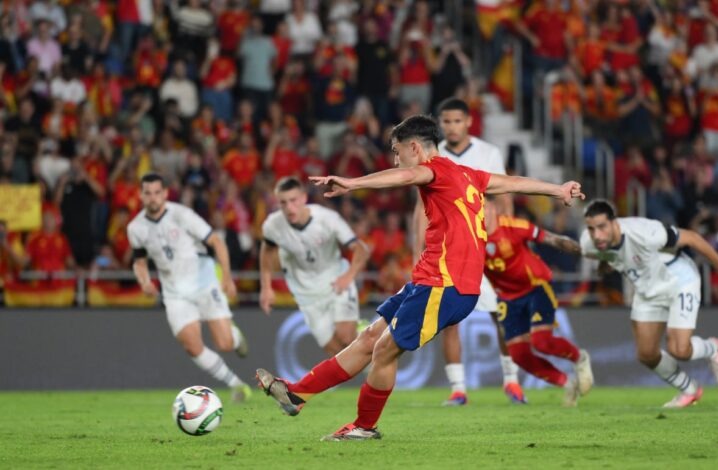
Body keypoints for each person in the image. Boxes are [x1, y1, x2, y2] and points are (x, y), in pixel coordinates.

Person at [255, 115, 584, 441]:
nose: (396, 160)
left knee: (384, 350)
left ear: (415, 147)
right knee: (369, 339)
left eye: (398, 152)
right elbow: (512, 183)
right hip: (428, 281)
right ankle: (297, 395)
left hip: (445, 285)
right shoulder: (468, 174)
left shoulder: (433, 170)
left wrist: (353, 183)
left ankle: (363, 427)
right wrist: (557, 189)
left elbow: (407, 175)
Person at [412, 97, 522, 406]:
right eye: (446, 121)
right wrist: (415, 253)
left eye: (457, 121)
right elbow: (421, 210)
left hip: (486, 246)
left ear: (469, 122)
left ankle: (511, 381)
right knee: (450, 319)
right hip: (449, 249)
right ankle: (458, 388)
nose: (452, 126)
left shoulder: (488, 153)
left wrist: (507, 241)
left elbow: (504, 196)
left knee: (501, 314)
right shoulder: (434, 155)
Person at [580, 200, 718, 408]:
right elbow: (605, 250)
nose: (596, 234)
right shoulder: (590, 242)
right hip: (647, 289)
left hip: (678, 280)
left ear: (614, 223)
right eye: (591, 229)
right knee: (646, 354)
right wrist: (605, 260)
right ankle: (689, 389)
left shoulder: (645, 231)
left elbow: (691, 237)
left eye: (602, 227)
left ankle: (712, 348)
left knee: (680, 350)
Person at [127, 173, 252, 402]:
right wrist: (144, 281)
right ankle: (236, 384)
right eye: (148, 193)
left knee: (224, 344)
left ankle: (234, 335)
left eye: (157, 192)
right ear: (141, 195)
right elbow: (140, 261)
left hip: (203, 283)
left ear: (165, 193)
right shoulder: (136, 228)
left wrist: (226, 276)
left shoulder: (182, 215)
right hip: (174, 293)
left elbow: (215, 241)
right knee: (192, 346)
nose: (153, 198)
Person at [482, 199, 592, 407]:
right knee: (519, 355)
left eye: (484, 210)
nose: (481, 216)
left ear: (493, 210)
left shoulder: (514, 227)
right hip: (507, 297)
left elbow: (551, 239)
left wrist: (583, 250)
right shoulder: (472, 239)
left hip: (536, 287)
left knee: (541, 342)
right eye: (476, 212)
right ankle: (567, 383)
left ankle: (580, 359)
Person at [259, 176, 370, 356]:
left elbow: (360, 249)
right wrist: (266, 287)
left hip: (336, 281)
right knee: (335, 350)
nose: (289, 208)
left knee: (346, 337)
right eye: (283, 203)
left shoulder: (328, 219)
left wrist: (348, 277)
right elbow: (267, 250)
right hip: (306, 294)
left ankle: (359, 330)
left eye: (293, 200)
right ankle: (364, 341)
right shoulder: (273, 225)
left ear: (303, 198)